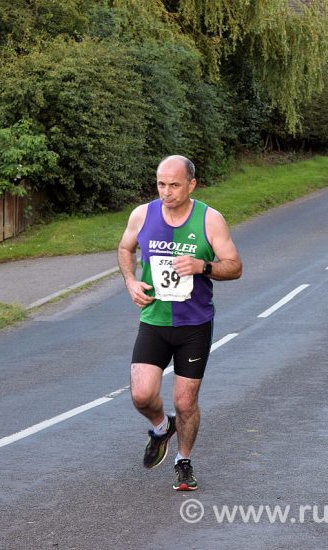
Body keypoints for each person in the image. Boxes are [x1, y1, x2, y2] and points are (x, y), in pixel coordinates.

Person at [117, 155, 242, 491]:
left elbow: (234, 265)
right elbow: (125, 248)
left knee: (185, 402)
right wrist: (130, 281)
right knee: (142, 395)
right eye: (161, 184)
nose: (166, 192)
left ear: (191, 185)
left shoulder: (210, 219)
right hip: (154, 319)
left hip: (194, 324)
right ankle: (161, 428)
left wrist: (204, 266)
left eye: (174, 185)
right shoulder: (142, 215)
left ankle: (183, 461)